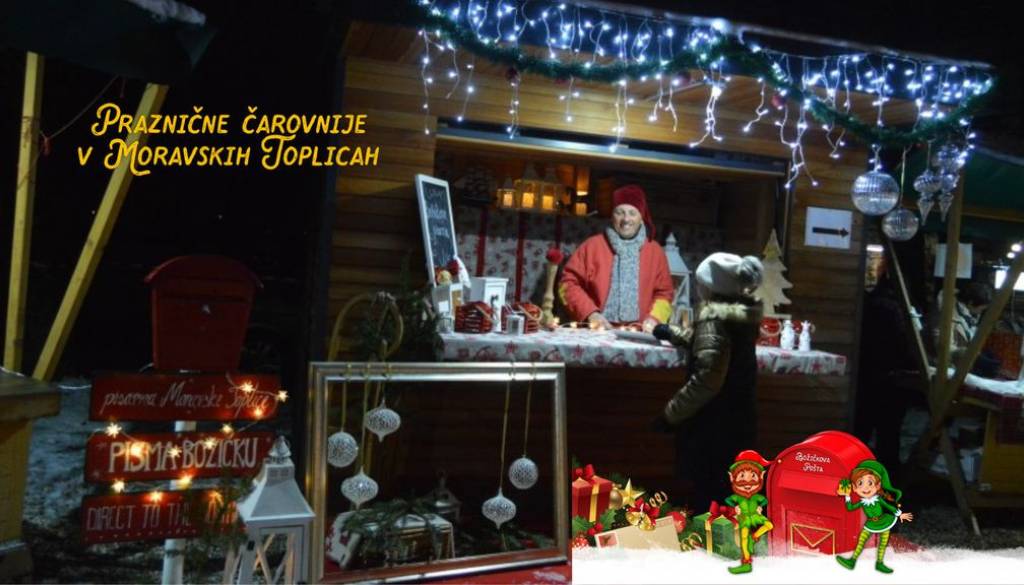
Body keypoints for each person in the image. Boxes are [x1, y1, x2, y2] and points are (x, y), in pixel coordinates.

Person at [651, 252, 764, 514]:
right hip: (737, 418)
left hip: (715, 424)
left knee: (709, 492)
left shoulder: (714, 320)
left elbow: (707, 380)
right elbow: (712, 345)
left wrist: (670, 415)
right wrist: (674, 333)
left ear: (711, 288)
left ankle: (707, 535)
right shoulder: (738, 316)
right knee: (727, 490)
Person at [559, 184, 674, 331]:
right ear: (612, 216)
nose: (626, 219)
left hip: (640, 333)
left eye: (632, 213)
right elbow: (566, 284)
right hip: (595, 332)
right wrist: (591, 314)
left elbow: (665, 294)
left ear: (642, 217)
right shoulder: (591, 246)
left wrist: (654, 319)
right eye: (620, 212)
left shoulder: (656, 252)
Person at [835, 460, 913, 574]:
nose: (865, 488)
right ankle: (852, 561)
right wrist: (847, 496)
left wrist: (899, 514)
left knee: (882, 544)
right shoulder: (862, 502)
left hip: (884, 521)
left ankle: (879, 563)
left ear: (878, 486)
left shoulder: (879, 499)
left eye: (870, 483)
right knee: (861, 541)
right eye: (860, 483)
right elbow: (850, 508)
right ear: (855, 488)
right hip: (871, 523)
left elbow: (889, 506)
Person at [723, 450, 774, 574]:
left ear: (761, 476)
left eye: (753, 476)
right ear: (732, 477)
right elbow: (728, 500)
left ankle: (755, 536)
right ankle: (746, 563)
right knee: (744, 540)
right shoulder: (738, 497)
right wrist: (735, 507)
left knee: (769, 525)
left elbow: (764, 500)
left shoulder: (756, 497)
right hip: (744, 518)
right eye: (742, 476)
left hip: (755, 516)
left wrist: (760, 507)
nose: (748, 482)